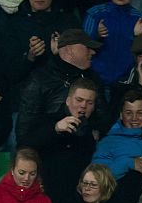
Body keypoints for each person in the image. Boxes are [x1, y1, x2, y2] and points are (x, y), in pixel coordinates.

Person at [16, 30, 107, 162]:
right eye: (87, 48)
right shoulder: (39, 80)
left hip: (84, 156)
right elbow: (24, 134)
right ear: (70, 50)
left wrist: (93, 130)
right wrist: (55, 128)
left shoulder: (93, 79)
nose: (93, 52)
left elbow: (103, 119)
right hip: (47, 158)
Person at [91, 89, 142, 202]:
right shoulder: (107, 143)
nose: (134, 118)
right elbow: (95, 179)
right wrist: (128, 163)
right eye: (128, 113)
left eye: (140, 113)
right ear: (121, 115)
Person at [83, 0, 142, 87]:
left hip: (127, 81)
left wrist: (136, 37)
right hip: (95, 80)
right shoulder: (94, 14)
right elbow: (82, 47)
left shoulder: (141, 20)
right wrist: (96, 35)